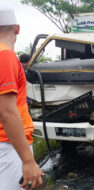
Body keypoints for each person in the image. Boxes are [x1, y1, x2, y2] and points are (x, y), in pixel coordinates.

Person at [0, 9, 44, 189]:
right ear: (17, 29)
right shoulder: (5, 55)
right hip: (9, 145)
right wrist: (27, 160)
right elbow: (7, 111)